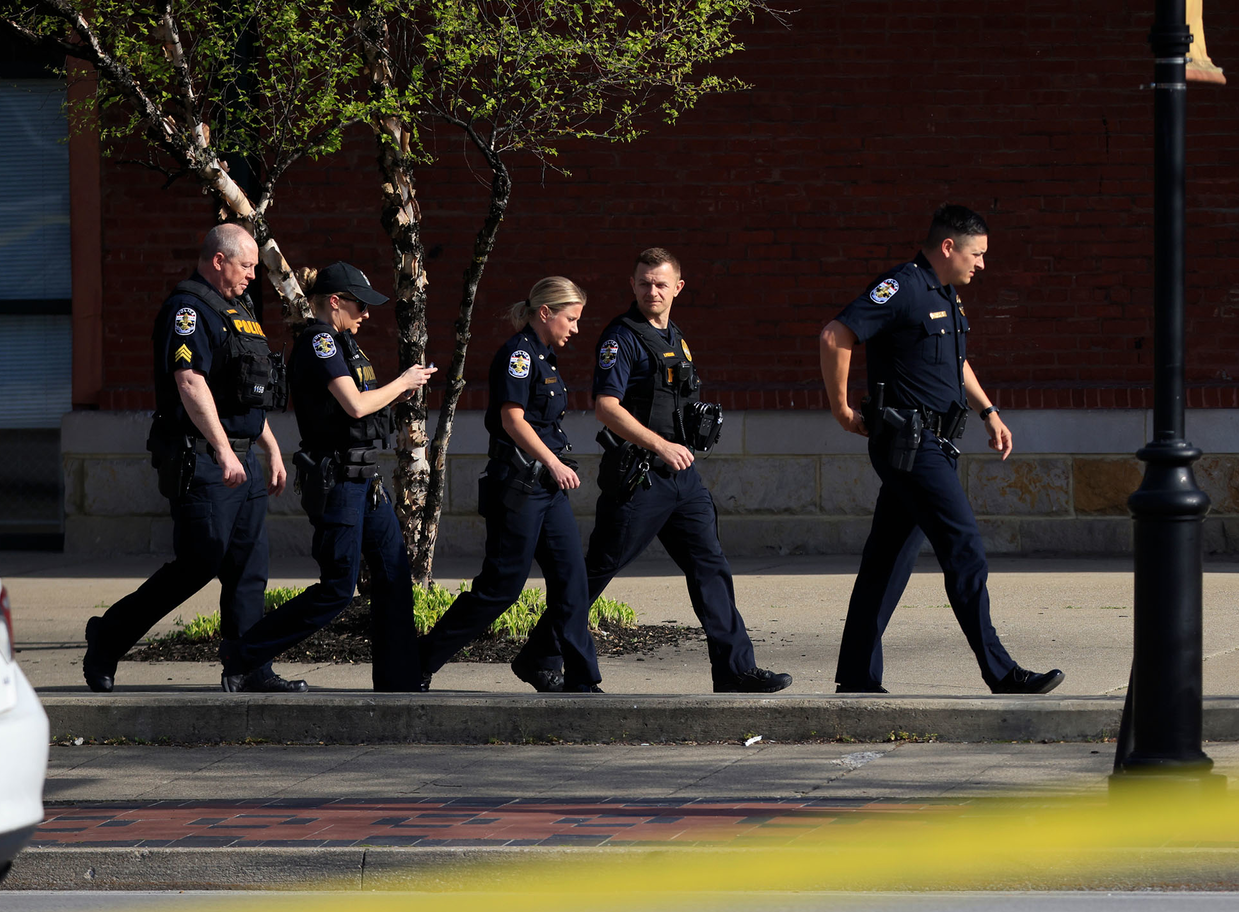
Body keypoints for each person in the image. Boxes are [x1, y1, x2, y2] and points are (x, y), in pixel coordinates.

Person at [818, 205, 1064, 695]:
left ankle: (857, 678)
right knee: (965, 549)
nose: (983, 263)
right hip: (910, 443)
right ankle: (1001, 672)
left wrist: (988, 412)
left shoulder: (946, 295)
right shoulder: (903, 287)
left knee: (886, 560)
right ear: (948, 247)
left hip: (933, 442)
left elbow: (957, 361)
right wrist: (843, 411)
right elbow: (835, 335)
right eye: (977, 253)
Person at [82, 223, 299, 694]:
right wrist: (223, 450)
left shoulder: (237, 309)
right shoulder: (189, 309)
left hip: (244, 460)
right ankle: (108, 637)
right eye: (245, 266)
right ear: (218, 260)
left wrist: (272, 447)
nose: (251, 276)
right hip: (204, 459)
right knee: (200, 561)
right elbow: (190, 382)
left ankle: (248, 666)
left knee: (249, 566)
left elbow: (240, 393)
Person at [584, 248, 791, 694]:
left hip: (682, 479)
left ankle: (735, 670)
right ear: (632, 285)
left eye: (660, 283)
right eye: (643, 282)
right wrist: (659, 443)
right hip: (640, 476)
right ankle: (542, 655)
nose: (651, 291)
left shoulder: (674, 336)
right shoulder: (622, 338)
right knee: (599, 567)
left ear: (678, 287)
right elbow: (605, 407)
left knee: (710, 566)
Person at [224, 262, 435, 691]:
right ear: (334, 303)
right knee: (338, 590)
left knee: (394, 575)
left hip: (365, 479)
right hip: (339, 481)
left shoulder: (344, 342)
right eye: (359, 305)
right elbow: (355, 406)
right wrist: (404, 382)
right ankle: (244, 655)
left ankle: (399, 680)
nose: (366, 314)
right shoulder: (320, 340)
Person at [419, 276, 601, 692]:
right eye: (570, 318)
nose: (575, 328)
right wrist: (554, 462)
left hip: (546, 489)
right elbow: (512, 419)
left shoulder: (546, 357)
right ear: (545, 313)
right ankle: (419, 660)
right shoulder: (518, 355)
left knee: (572, 581)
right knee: (500, 589)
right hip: (518, 487)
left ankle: (580, 679)